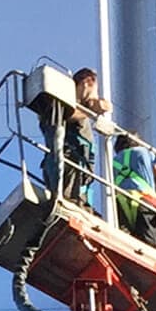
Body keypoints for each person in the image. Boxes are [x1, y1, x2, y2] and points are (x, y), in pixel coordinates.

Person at [40, 67, 110, 209]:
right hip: (68, 164)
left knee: (80, 206)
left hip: (79, 175)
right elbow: (65, 117)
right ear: (86, 83)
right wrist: (91, 110)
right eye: (94, 91)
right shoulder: (63, 104)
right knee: (68, 204)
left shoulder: (80, 109)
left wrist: (95, 107)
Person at [113, 129, 156, 248]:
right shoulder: (144, 152)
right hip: (145, 201)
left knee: (126, 245)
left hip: (120, 202)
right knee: (154, 246)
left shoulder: (113, 161)